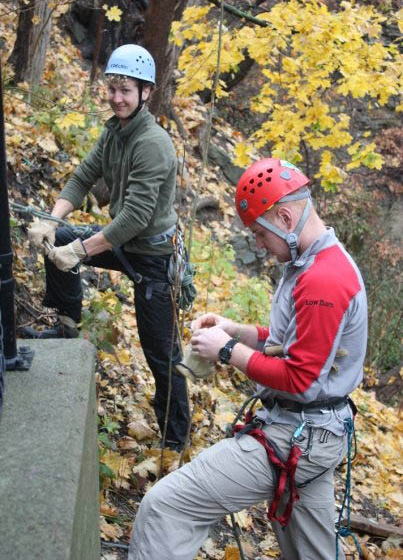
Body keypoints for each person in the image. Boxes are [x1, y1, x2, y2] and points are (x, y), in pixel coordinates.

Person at [128, 157, 368, 560]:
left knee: (166, 508)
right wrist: (238, 331)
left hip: (299, 435)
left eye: (259, 232)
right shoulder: (311, 263)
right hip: (315, 433)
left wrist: (227, 352)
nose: (258, 243)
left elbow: (301, 379)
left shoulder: (323, 279)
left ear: (286, 218)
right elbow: (293, 343)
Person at [24, 44, 190, 452]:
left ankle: (174, 438)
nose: (117, 97)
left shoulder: (152, 143)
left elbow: (134, 217)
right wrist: (53, 219)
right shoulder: (114, 132)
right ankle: (66, 327)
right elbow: (83, 177)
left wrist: (80, 252)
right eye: (113, 88)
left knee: (160, 351)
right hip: (123, 239)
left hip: (152, 255)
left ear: (145, 93)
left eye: (126, 90)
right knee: (61, 238)